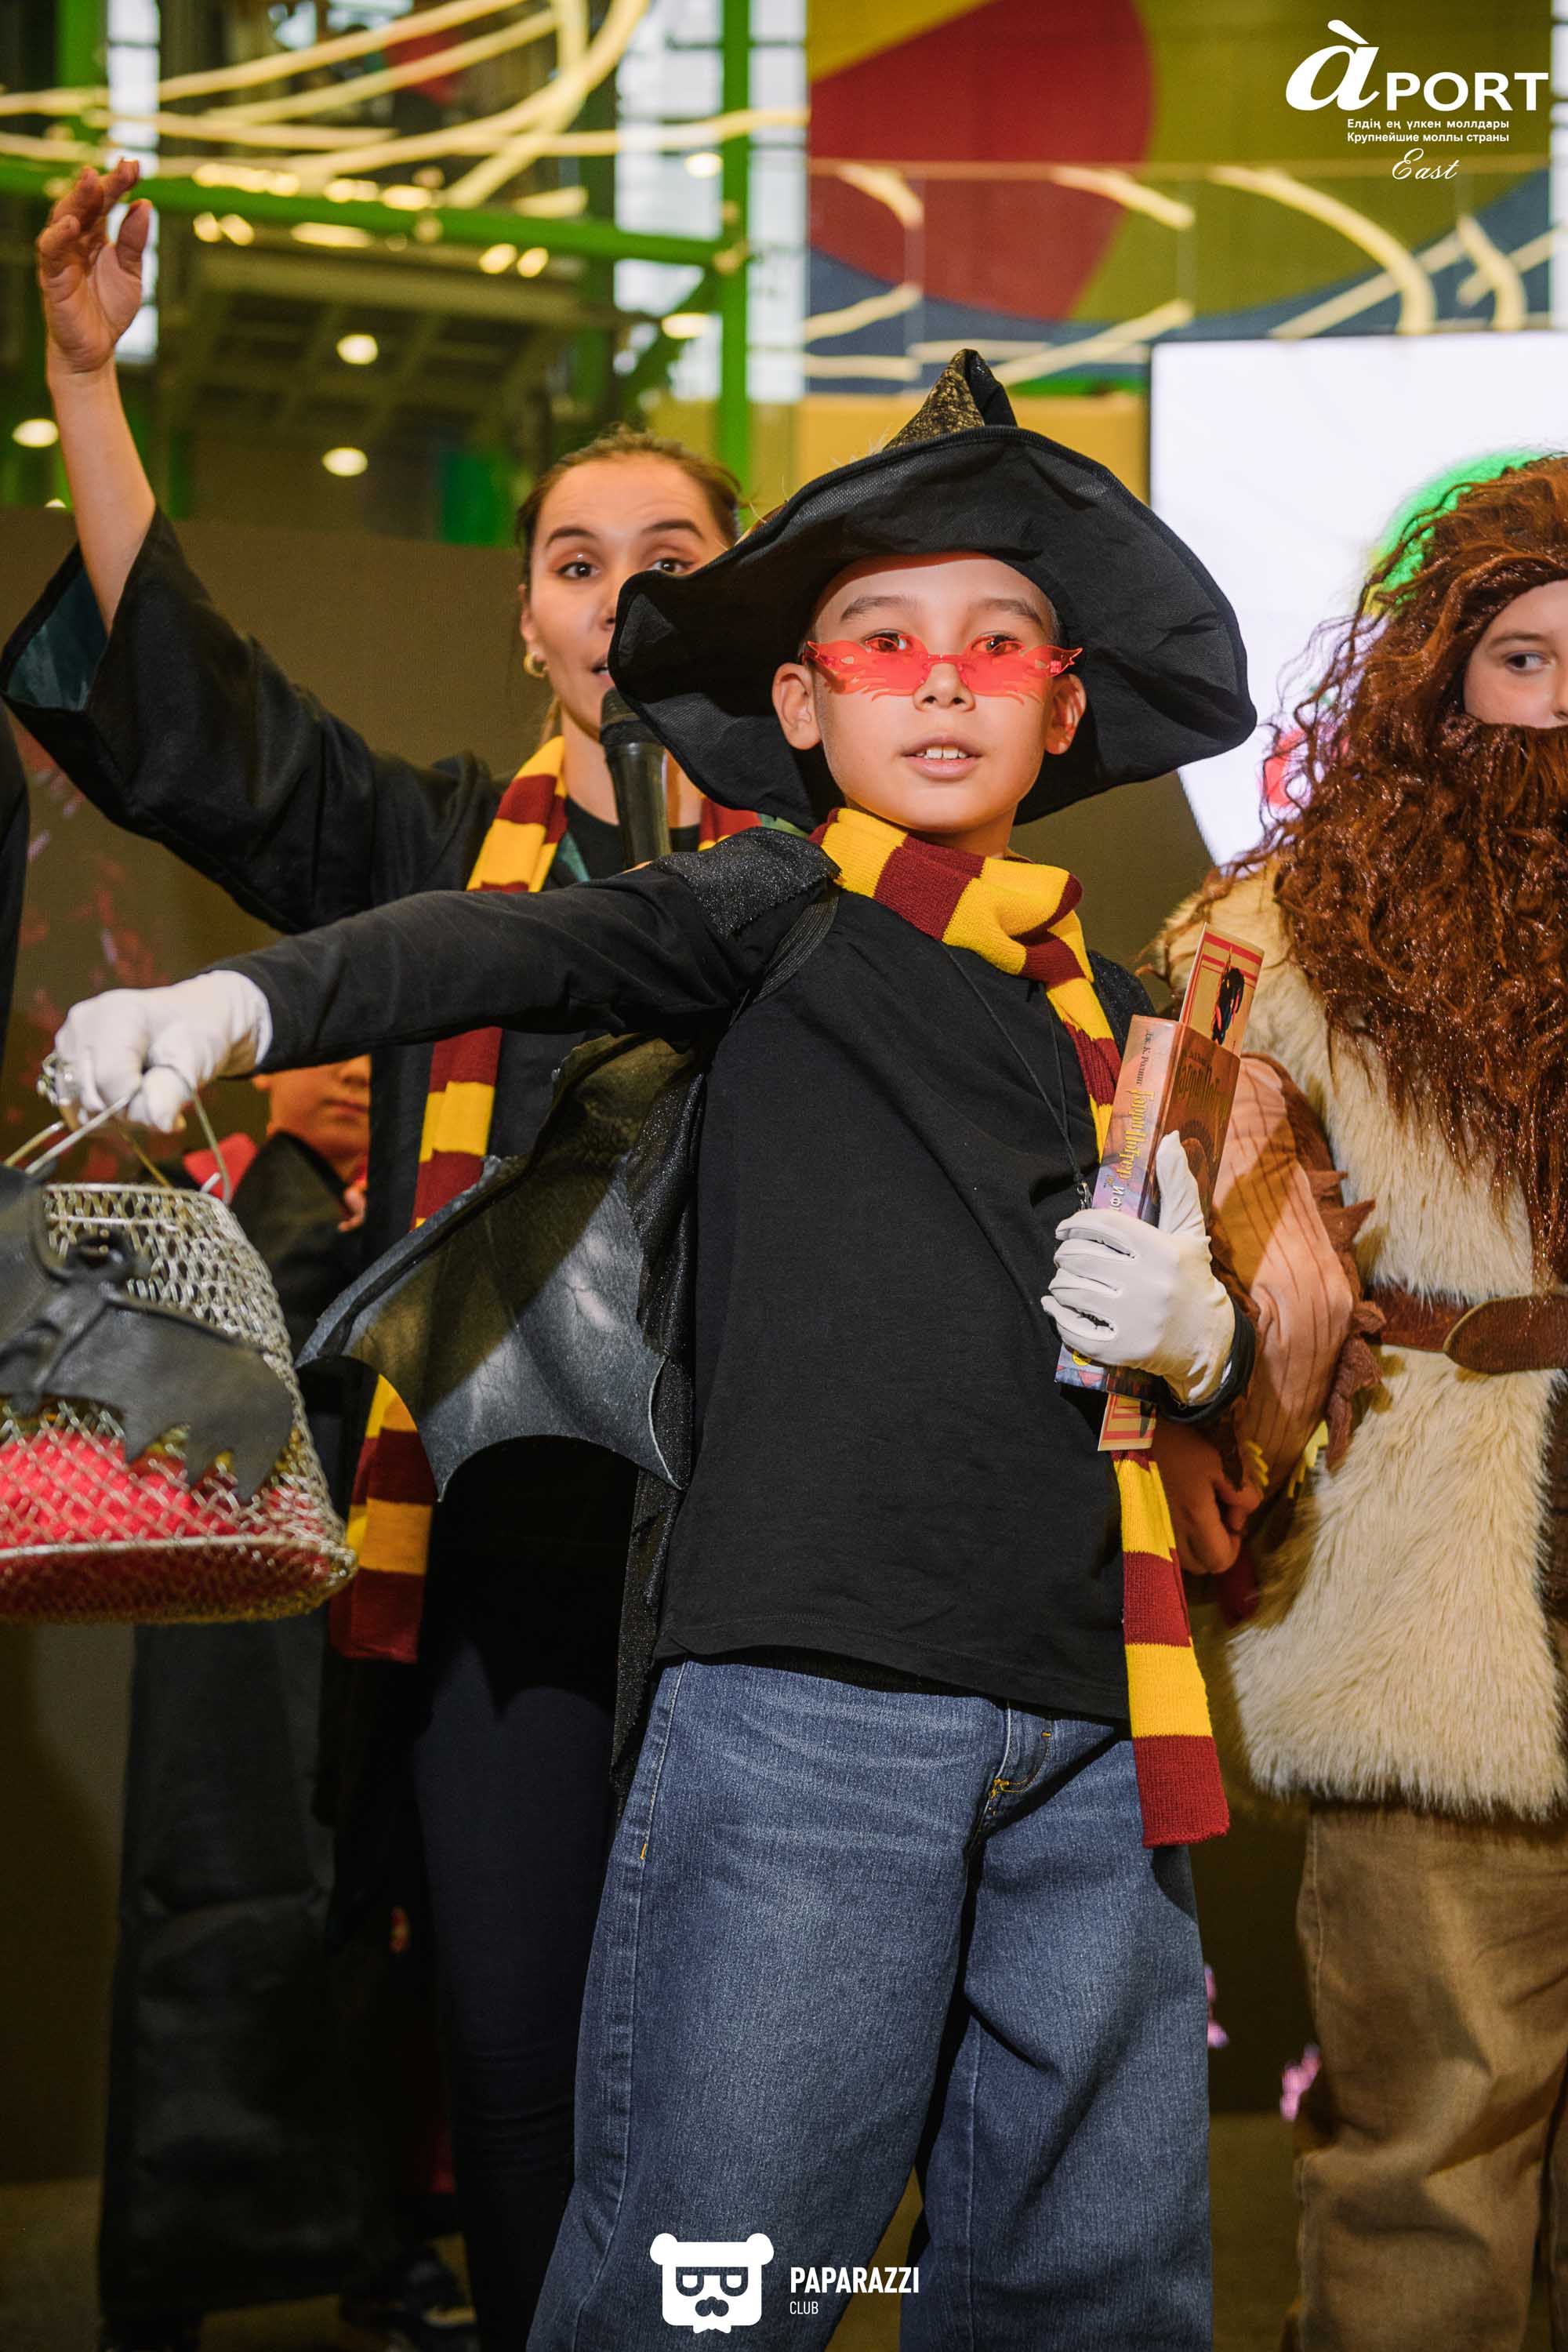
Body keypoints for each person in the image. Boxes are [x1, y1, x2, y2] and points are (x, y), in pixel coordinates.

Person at [53, 349, 1258, 2351]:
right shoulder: (760, 906)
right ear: (800, 703)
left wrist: (1203, 1340)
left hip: (1088, 1725)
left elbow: (1227, 1368)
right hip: (810, 1702)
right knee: (717, 2277)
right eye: (883, 640)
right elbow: (497, 943)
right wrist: (244, 1009)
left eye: (994, 644)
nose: (940, 681)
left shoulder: (1116, 1016)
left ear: (1061, 705)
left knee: (1093, 2287)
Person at [4, 158, 753, 2346]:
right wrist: (87, 384)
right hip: (499, 1539)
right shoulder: (435, 850)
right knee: (513, 2063)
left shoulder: (830, 884)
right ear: (527, 621)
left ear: (747, 610)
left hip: (756, 1551)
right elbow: (201, 717)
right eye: (576, 562)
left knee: (737, 2078)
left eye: (671, 562)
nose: (617, 598)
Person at [1155, 455, 1568, 2352]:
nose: (1558, 705)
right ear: (1438, 679)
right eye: (1521, 658)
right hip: (1430, 1605)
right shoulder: (1281, 945)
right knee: (1429, 2155)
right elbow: (1207, 1274)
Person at [101, 1055, 477, 2352]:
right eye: (336, 1055)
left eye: (378, 1058)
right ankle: (164, 2278)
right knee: (215, 1910)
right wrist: (292, 1177)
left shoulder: (436, 1186)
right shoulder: (205, 1184)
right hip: (233, 1621)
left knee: (392, 1923)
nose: (357, 1080)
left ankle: (383, 2240)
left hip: (398, 1591)